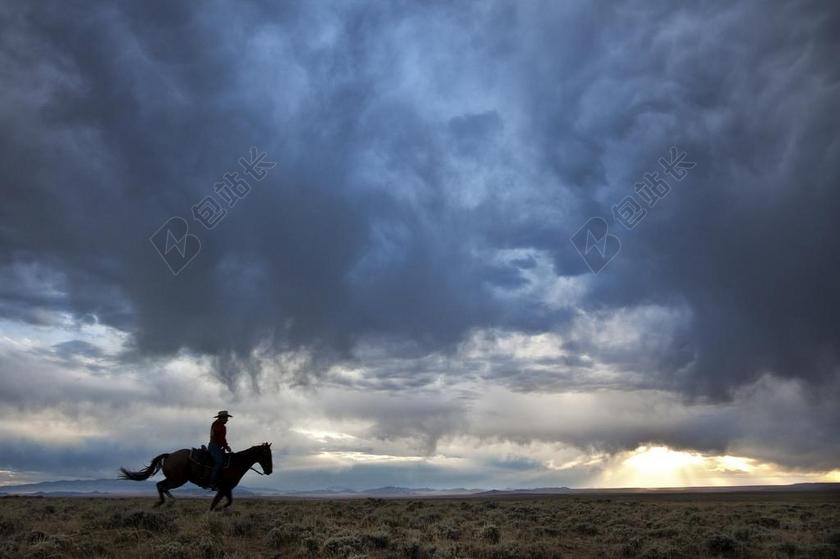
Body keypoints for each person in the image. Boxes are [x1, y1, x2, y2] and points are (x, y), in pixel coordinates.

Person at [208, 410, 233, 489]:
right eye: (225, 418)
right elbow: (221, 439)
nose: (227, 420)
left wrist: (225, 446)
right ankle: (212, 482)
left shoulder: (215, 424)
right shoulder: (220, 426)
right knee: (219, 462)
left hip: (215, 446)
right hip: (215, 447)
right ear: (221, 418)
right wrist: (226, 447)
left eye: (227, 418)